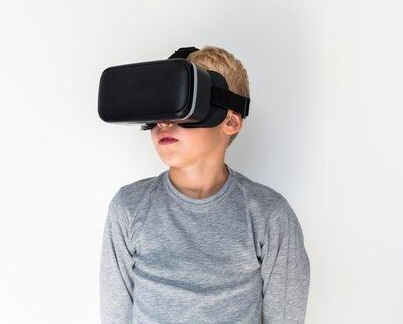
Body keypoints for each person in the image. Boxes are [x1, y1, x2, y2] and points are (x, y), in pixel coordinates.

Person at [99, 46, 310, 324]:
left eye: (185, 107)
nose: (164, 122)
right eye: (160, 109)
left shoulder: (268, 215)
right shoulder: (129, 207)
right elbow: (115, 316)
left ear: (231, 121)